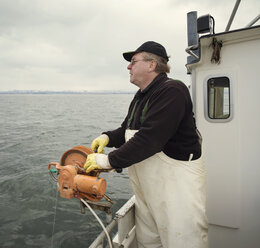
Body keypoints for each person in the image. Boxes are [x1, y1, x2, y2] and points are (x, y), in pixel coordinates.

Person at [84, 41, 208, 248]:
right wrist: (107, 137)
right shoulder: (141, 95)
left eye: (133, 61)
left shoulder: (172, 90)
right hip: (148, 192)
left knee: (185, 241)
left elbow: (151, 139)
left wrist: (107, 160)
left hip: (177, 191)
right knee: (148, 242)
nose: (128, 67)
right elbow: (128, 131)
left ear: (152, 65)